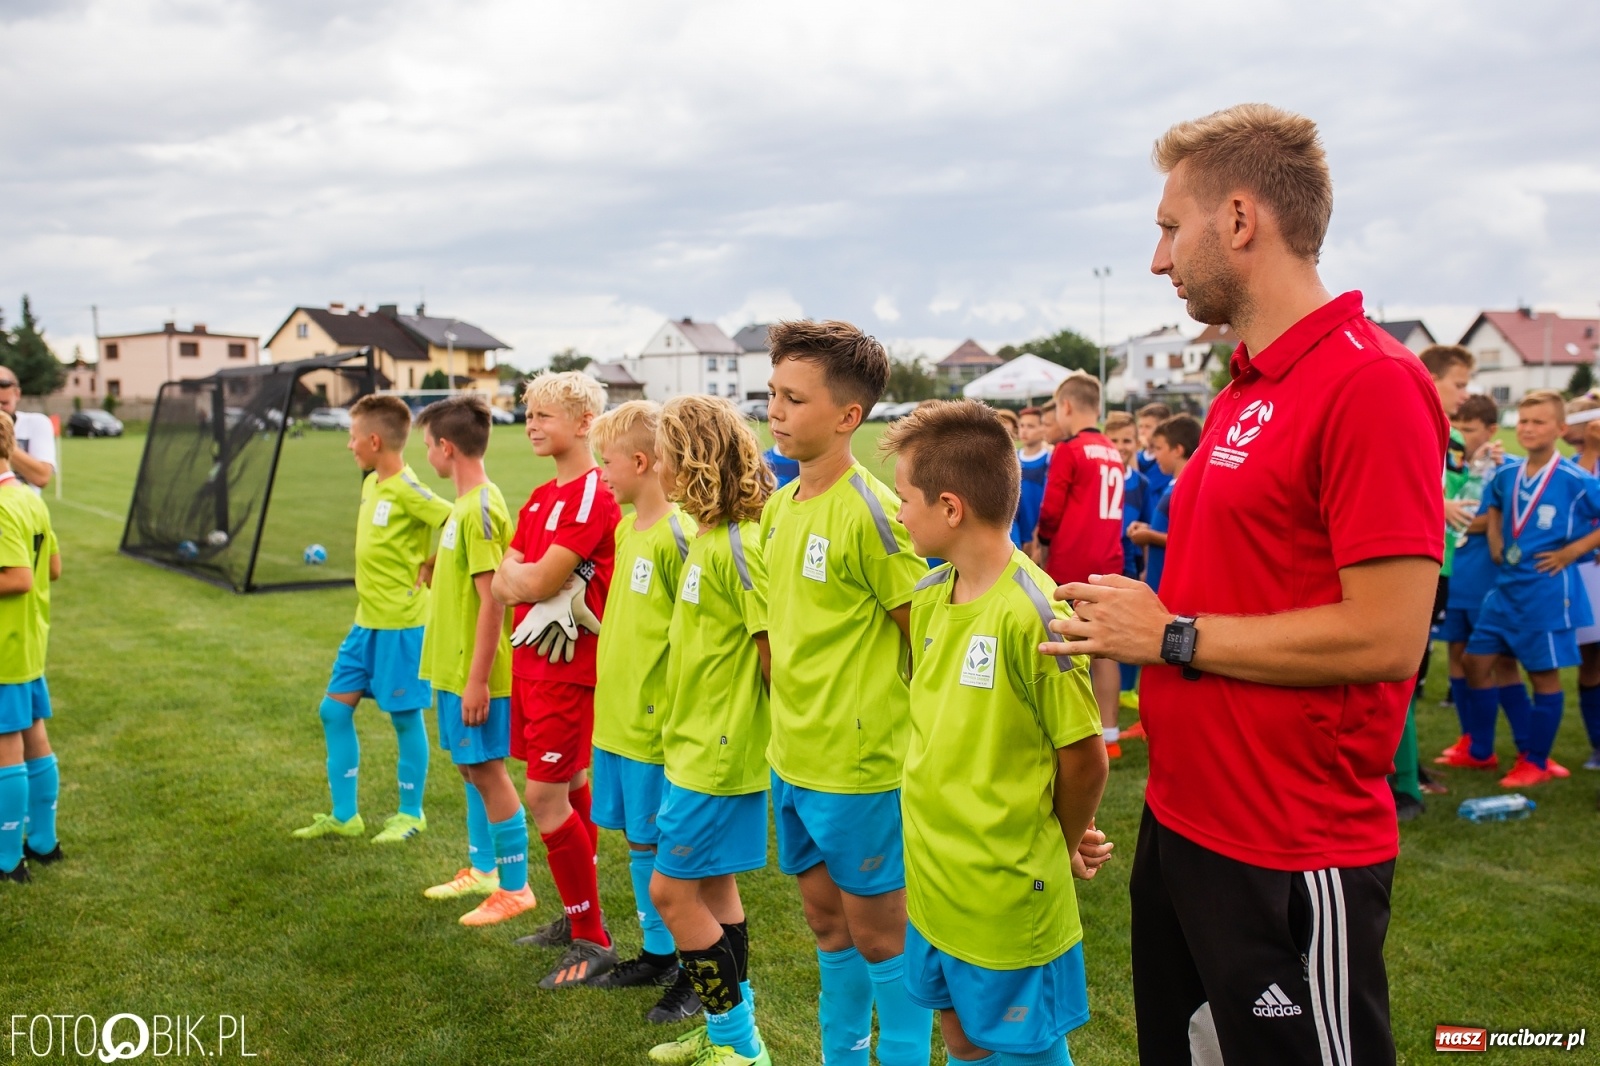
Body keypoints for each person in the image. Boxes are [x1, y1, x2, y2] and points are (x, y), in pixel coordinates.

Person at [1044, 103, 1446, 1064]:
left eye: (1168, 228)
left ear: (1237, 219)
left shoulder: (1372, 382)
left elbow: (1390, 635)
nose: (1158, 259)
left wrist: (1172, 635)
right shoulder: (1242, 388)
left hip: (1292, 847)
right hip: (1186, 821)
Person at [882, 400, 1111, 1066]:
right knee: (960, 1039)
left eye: (905, 499)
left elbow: (1085, 761)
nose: (898, 513)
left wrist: (1059, 845)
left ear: (950, 508)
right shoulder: (927, 596)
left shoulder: (1034, 613)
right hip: (932, 880)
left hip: (1007, 891)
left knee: (1023, 1050)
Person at [760, 320, 932, 1066]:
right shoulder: (777, 507)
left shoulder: (874, 511)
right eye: (771, 394)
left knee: (881, 937)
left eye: (793, 399)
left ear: (847, 417)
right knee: (827, 927)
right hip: (791, 758)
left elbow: (926, 638)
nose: (774, 410)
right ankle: (840, 1054)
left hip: (860, 769)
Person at [646, 396, 774, 1066]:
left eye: (665, 453)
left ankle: (741, 1046)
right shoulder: (705, 534)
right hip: (690, 745)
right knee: (717, 890)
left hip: (719, 756)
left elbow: (774, 657)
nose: (657, 466)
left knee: (671, 893)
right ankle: (728, 1034)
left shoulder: (742, 545)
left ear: (692, 460)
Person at [490, 371, 623, 988]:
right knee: (566, 785)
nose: (531, 424)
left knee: (544, 797)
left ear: (584, 423)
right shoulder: (540, 497)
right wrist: (530, 576)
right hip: (533, 663)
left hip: (570, 671)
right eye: (529, 414)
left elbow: (535, 582)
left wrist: (532, 578)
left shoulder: (596, 493)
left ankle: (593, 936)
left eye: (544, 415)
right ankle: (577, 919)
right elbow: (503, 579)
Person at [582, 400, 700, 1023]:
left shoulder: (679, 534)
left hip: (657, 728)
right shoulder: (628, 530)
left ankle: (690, 961)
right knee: (635, 838)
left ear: (642, 462)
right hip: (617, 722)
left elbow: (696, 631)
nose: (602, 473)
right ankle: (658, 952)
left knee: (671, 849)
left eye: (607, 462)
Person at [292, 395, 451, 845]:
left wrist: (436, 561)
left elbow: (459, 517)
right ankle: (346, 815)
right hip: (366, 625)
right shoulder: (371, 484)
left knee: (404, 719)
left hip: (402, 626)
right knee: (332, 711)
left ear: (375, 440)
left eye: (352, 436)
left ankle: (410, 814)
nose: (349, 445)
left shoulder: (407, 488)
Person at [413, 396, 531, 927]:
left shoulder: (481, 506)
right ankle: (484, 870)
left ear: (446, 447)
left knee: (487, 770)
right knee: (470, 769)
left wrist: (478, 680)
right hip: (452, 668)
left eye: (427, 447)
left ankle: (515, 887)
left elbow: (493, 600)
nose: (427, 457)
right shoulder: (463, 508)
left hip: (474, 673)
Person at [1460, 389, 1600, 787]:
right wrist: (1495, 542)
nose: (1528, 428)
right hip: (1505, 589)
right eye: (1523, 420)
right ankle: (1484, 750)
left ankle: (1536, 761)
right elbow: (1496, 506)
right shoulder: (1508, 472)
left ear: (1560, 428)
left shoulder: (1575, 479)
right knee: (1477, 662)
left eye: (1539, 422)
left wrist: (1573, 550)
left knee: (1543, 676)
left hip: (1547, 591)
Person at [1034, 373, 1126, 759]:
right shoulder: (1113, 449)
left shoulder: (1069, 450)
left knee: (1064, 648)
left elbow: (1052, 510)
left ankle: (1067, 734)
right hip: (1108, 558)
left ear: (1066, 406)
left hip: (1072, 561)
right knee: (1106, 649)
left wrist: (1043, 541)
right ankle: (1110, 733)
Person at [1433, 396, 1525, 770]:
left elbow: (1489, 519)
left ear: (1491, 431)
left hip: (1486, 577)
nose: (1461, 435)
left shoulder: (1503, 466)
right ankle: (1472, 741)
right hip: (1452, 572)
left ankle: (1527, 750)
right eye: (1459, 428)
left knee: (1500, 661)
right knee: (1457, 655)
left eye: (1469, 430)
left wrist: (1444, 515)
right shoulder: (1452, 462)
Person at [0, 410, 61, 884]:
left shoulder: (0, 505)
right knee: (35, 738)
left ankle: (7, 860)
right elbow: (53, 569)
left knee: (5, 747)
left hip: (6, 645)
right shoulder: (27, 498)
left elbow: (18, 578)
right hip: (30, 642)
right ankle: (43, 841)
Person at [1102, 412, 1147, 722]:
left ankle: (1123, 693)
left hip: (1128, 562)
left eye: (1126, 440)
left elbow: (1144, 525)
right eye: (1114, 440)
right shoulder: (1099, 476)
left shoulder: (1141, 483)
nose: (1120, 446)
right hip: (1101, 561)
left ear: (1137, 442)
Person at [1125, 414, 1200, 596]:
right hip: (1157, 581)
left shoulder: (1189, 488)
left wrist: (1149, 536)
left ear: (1177, 450)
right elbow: (1171, 529)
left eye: (1159, 448)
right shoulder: (1173, 484)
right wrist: (1148, 528)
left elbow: (1188, 539)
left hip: (1171, 589)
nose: (1155, 455)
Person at [1564, 398, 1600, 771]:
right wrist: (1590, 450)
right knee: (1590, 660)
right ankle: (1597, 743)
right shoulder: (1572, 466)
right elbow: (1578, 501)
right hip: (1583, 574)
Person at [0, 368, 55, 491]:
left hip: (21, 506)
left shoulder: (36, 423)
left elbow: (42, 477)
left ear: (17, 394)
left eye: (4, 403)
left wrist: (3, 439)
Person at [1012, 406, 1053, 553]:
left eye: (1030, 426)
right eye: (1022, 425)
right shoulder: (1012, 458)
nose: (1024, 430)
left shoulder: (1049, 458)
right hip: (1015, 531)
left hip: (1039, 533)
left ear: (1043, 428)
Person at [1134, 401, 1173, 503]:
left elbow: (1142, 488)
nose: (1142, 432)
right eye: (1140, 426)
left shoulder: (1166, 461)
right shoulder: (1137, 456)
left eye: (1148, 427)